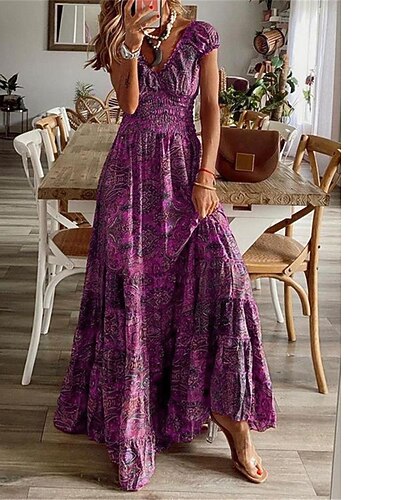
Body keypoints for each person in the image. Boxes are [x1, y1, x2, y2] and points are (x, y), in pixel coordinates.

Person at [54, 0, 277, 491]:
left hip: (184, 169)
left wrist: (206, 176)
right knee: (133, 297)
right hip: (131, 177)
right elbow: (130, 107)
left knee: (229, 281)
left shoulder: (200, 35)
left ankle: (235, 423)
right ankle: (135, 422)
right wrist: (131, 45)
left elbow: (211, 108)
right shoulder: (119, 34)